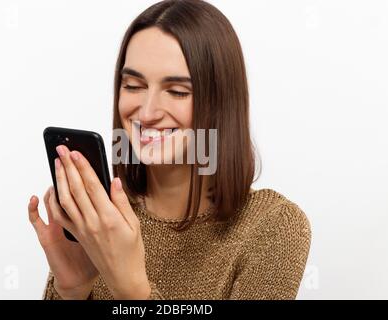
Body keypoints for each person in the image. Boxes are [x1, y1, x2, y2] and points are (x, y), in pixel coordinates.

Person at [28, 0, 311, 300]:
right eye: (133, 86)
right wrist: (71, 289)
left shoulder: (271, 229)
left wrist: (133, 289)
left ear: (221, 103)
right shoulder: (104, 219)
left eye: (177, 91)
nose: (147, 112)